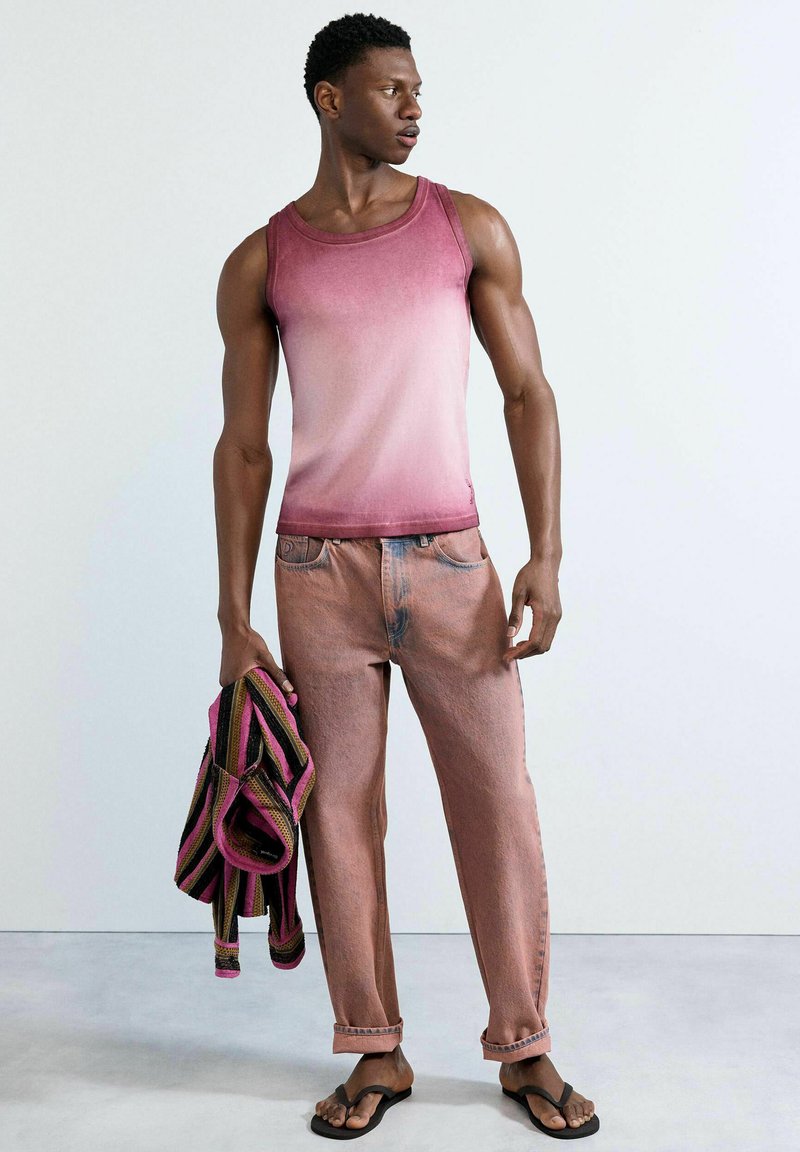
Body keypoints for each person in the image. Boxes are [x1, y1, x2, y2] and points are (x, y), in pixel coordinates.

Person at [213, 11, 598, 1141]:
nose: (415, 107)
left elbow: (528, 392)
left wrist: (545, 553)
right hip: (314, 570)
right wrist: (231, 614)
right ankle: (374, 1049)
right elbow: (244, 447)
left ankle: (523, 1046)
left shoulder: (464, 228)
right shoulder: (263, 260)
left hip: (449, 565)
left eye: (418, 89)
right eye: (393, 89)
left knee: (498, 807)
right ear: (330, 99)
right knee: (338, 815)